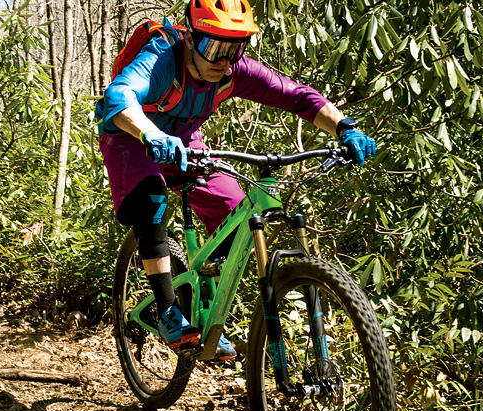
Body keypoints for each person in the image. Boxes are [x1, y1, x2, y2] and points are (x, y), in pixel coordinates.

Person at [96, 0, 376, 360]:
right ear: (191, 38)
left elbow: (297, 96)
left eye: (234, 49)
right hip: (131, 136)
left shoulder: (235, 72)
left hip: (183, 141)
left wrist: (344, 127)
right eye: (214, 48)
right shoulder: (164, 58)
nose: (224, 61)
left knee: (237, 217)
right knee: (152, 199)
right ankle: (166, 309)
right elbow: (119, 96)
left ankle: (204, 307)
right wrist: (150, 134)